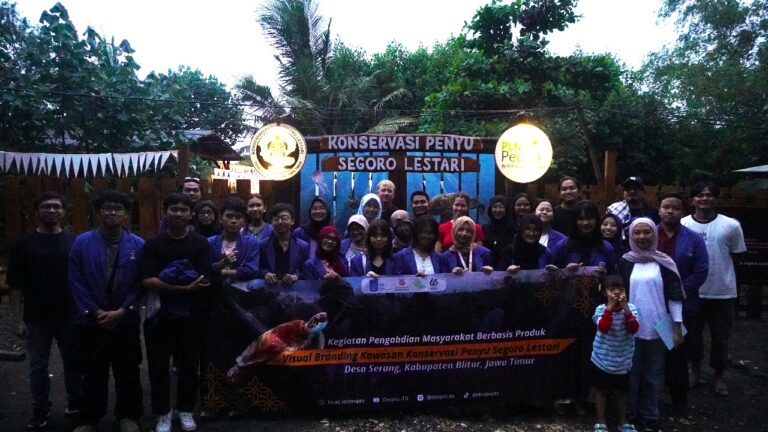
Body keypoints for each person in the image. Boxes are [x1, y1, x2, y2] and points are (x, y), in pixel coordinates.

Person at [69, 191, 144, 432]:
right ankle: (89, 418)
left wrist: (123, 310)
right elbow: (75, 281)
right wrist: (95, 311)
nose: (113, 212)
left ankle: (128, 416)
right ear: (99, 212)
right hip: (92, 320)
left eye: (118, 208)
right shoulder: (81, 243)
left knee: (128, 369)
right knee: (92, 369)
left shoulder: (138, 245)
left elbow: (140, 283)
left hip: (125, 318)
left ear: (126, 214)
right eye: (107, 208)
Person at [7, 191, 82, 429]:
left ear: (64, 212)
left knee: (73, 362)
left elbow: (83, 279)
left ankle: (75, 404)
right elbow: (15, 285)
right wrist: (17, 319)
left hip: (69, 314)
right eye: (46, 206)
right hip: (36, 316)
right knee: (38, 366)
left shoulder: (74, 242)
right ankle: (40, 409)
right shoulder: (23, 243)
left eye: (56, 207)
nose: (51, 210)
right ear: (37, 211)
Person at [140, 192, 212, 432]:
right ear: (166, 212)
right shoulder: (153, 244)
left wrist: (171, 281)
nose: (178, 213)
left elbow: (204, 277)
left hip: (192, 316)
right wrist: (183, 287)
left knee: (190, 365)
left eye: (183, 210)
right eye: (174, 209)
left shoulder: (200, 243)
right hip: (159, 315)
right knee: (158, 366)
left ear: (191, 214)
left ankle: (185, 409)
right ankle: (162, 412)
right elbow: (147, 279)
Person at [618, 218, 685, 432]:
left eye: (647, 232)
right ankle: (629, 414)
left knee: (652, 375)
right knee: (631, 374)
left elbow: (674, 296)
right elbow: (617, 294)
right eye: (637, 233)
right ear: (631, 236)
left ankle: (650, 414)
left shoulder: (664, 262)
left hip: (658, 328)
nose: (642, 237)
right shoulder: (625, 262)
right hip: (630, 328)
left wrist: (677, 326)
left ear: (654, 234)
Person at [681, 181, 746, 397]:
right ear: (692, 200)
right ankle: (695, 371)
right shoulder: (683, 224)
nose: (704, 199)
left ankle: (719, 375)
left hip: (722, 292)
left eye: (709, 195)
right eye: (700, 195)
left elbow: (737, 257)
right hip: (693, 292)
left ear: (716, 199)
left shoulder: (731, 225)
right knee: (692, 336)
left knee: (720, 338)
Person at [550, 200, 613, 415]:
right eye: (580, 219)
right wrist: (564, 272)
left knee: (590, 354)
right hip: (568, 309)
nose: (585, 223)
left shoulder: (606, 248)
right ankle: (565, 396)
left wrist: (605, 279)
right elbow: (550, 277)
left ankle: (586, 398)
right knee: (568, 353)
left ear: (596, 220)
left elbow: (614, 280)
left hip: (595, 311)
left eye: (589, 218)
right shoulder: (563, 246)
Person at [657, 192, 709, 416]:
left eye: (675, 208)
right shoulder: (648, 233)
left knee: (677, 353)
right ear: (659, 210)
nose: (670, 211)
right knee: (651, 352)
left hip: (681, 305)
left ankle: (679, 399)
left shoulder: (693, 239)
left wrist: (678, 291)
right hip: (653, 303)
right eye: (666, 207)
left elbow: (701, 270)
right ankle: (648, 398)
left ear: (683, 212)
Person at [590, 276, 640, 432]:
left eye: (620, 289)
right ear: (605, 293)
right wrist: (610, 308)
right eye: (612, 289)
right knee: (601, 391)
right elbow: (603, 327)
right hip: (602, 359)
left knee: (622, 393)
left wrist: (626, 309)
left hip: (623, 361)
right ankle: (601, 422)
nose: (617, 292)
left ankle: (623, 422)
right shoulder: (600, 310)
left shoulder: (632, 309)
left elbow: (633, 329)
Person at [208, 197, 260, 282]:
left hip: (241, 287)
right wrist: (222, 263)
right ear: (221, 219)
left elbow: (251, 270)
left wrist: (222, 272)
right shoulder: (209, 242)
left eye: (238, 217)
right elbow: (205, 268)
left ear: (244, 221)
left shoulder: (251, 243)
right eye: (229, 216)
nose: (233, 221)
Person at [259, 203, 309, 285]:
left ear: (292, 221)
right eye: (276, 219)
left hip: (294, 290)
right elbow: (257, 269)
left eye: (284, 218)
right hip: (269, 289)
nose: (280, 222)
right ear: (271, 222)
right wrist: (265, 273)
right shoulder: (263, 245)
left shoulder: (303, 246)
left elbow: (307, 272)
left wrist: (296, 276)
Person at [483, 195, 515, 269]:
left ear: (506, 209)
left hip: (508, 269)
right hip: (487, 269)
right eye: (495, 207)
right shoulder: (485, 228)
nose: (498, 210)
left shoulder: (513, 228)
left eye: (501, 207)